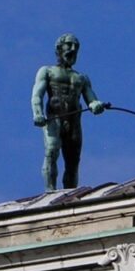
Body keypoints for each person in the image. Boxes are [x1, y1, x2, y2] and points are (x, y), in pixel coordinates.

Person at [31, 34, 105, 190]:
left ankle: (69, 196)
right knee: (52, 151)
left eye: (76, 47)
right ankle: (50, 191)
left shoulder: (81, 78)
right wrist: (37, 113)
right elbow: (37, 95)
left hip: (74, 121)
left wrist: (95, 104)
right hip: (54, 117)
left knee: (73, 161)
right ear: (59, 48)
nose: (73, 49)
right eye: (69, 45)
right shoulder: (47, 71)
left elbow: (91, 98)